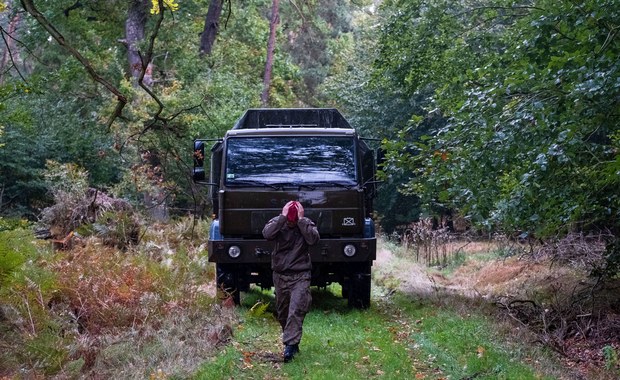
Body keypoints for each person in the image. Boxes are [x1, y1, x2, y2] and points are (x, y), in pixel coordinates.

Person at [262, 200, 320, 362]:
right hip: (280, 275)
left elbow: (313, 240)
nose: (291, 222)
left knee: (296, 308)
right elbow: (267, 234)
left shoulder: (306, 224)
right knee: (283, 312)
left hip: (300, 275)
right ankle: (292, 342)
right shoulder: (278, 223)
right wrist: (282, 218)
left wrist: (301, 221)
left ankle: (290, 346)